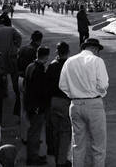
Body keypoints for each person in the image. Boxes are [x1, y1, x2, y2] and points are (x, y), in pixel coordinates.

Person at [59, 38, 108, 167]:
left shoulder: (70, 61)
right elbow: (103, 85)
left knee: (78, 145)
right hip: (93, 104)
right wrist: (97, 92)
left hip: (75, 104)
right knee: (98, 147)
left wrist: (75, 94)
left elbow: (62, 85)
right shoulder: (97, 61)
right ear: (95, 49)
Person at [46, 42, 72, 167]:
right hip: (64, 101)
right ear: (67, 52)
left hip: (53, 101)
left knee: (55, 131)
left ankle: (57, 158)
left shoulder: (51, 65)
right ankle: (61, 160)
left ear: (57, 52)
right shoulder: (70, 66)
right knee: (65, 132)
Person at [0, 18, 22, 116]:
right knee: (14, 75)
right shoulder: (11, 29)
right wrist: (16, 46)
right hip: (11, 56)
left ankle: (4, 92)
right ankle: (17, 94)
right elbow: (19, 38)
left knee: (2, 75)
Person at [24, 46, 51, 166]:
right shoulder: (40, 70)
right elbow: (41, 90)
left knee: (33, 131)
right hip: (37, 105)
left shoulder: (30, 66)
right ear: (46, 56)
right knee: (35, 132)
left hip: (30, 104)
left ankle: (33, 155)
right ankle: (32, 157)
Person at [17, 30, 43, 142]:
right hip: (29, 81)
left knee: (23, 109)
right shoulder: (35, 51)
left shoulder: (23, 48)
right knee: (31, 110)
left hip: (20, 78)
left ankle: (24, 136)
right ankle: (31, 136)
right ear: (39, 40)